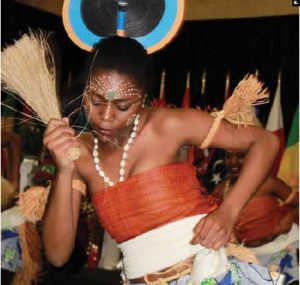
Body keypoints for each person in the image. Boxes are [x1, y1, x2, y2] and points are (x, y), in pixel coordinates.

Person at [42, 36, 280, 284]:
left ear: (142, 98)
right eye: (96, 101)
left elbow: (265, 142)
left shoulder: (168, 124)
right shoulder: (78, 152)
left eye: (122, 106)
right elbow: (58, 256)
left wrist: (228, 212)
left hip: (211, 274)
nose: (105, 117)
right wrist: (64, 170)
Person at [214, 149, 299, 283]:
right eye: (229, 156)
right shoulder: (220, 190)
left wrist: (290, 217)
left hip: (285, 246)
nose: (233, 161)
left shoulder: (267, 182)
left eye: (240, 156)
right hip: (252, 257)